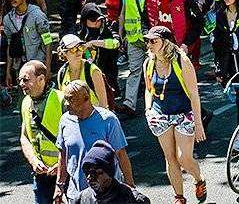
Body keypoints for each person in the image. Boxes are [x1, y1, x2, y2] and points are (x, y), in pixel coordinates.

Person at [142, 26, 207, 204]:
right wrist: (148, 110)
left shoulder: (181, 61)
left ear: (166, 42)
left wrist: (199, 124)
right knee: (170, 157)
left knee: (183, 158)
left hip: (183, 113)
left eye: (153, 41)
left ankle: (198, 179)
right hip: (160, 113)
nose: (149, 44)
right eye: (148, 41)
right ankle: (179, 197)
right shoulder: (149, 62)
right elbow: (149, 90)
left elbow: (194, 94)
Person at [55, 80, 134, 203]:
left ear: (86, 98)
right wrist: (59, 185)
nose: (66, 104)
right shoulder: (65, 120)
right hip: (76, 195)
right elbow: (63, 155)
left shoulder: (108, 120)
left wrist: (130, 186)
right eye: (65, 99)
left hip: (108, 195)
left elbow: (121, 154)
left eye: (71, 99)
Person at [18, 61, 65, 204]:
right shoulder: (26, 102)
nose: (21, 83)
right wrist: (34, 161)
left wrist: (61, 166)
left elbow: (77, 138)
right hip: (41, 175)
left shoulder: (62, 99)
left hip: (64, 174)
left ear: (41, 79)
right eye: (19, 80)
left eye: (26, 79)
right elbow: (24, 137)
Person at [146, 0, 204, 67]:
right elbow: (145, 18)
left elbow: (198, 22)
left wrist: (186, 44)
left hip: (181, 47)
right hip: (159, 47)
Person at [71, 140, 150, 204]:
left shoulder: (133, 199)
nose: (90, 177)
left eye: (98, 173)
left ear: (110, 174)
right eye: (87, 172)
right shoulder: (81, 200)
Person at [77, 3, 120, 98]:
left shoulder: (109, 26)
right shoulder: (82, 31)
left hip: (109, 68)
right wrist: (89, 57)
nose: (97, 22)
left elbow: (116, 43)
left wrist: (94, 42)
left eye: (99, 20)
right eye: (92, 20)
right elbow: (83, 48)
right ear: (85, 21)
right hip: (91, 69)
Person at [56, 34, 109, 108]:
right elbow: (63, 102)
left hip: (94, 117)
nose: (78, 52)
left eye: (80, 47)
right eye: (73, 49)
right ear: (64, 53)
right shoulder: (61, 73)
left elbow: (104, 105)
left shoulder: (93, 71)